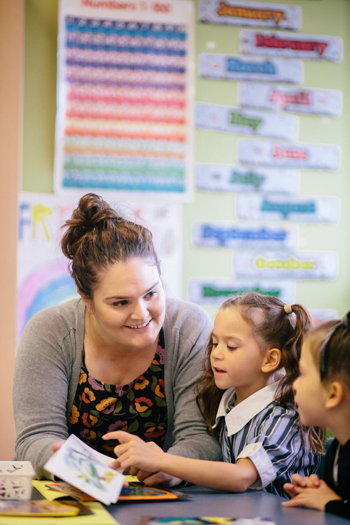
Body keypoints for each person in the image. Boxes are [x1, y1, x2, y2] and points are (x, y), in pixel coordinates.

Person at [13, 193, 221, 485]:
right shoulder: (50, 331)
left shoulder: (188, 326)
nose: (141, 314)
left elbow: (200, 438)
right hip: (74, 497)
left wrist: (171, 468)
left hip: (166, 501)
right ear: (86, 298)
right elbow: (34, 439)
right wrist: (87, 472)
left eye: (151, 293)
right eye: (120, 303)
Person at [103, 293, 323, 497]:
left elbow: (241, 477)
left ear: (269, 360)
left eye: (232, 346)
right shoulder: (227, 399)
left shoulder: (284, 415)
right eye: (215, 343)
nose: (216, 354)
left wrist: (161, 460)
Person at [282, 313, 350, 518]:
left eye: (302, 374)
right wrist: (318, 493)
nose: (294, 385)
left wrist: (331, 504)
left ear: (333, 394)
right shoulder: (337, 450)